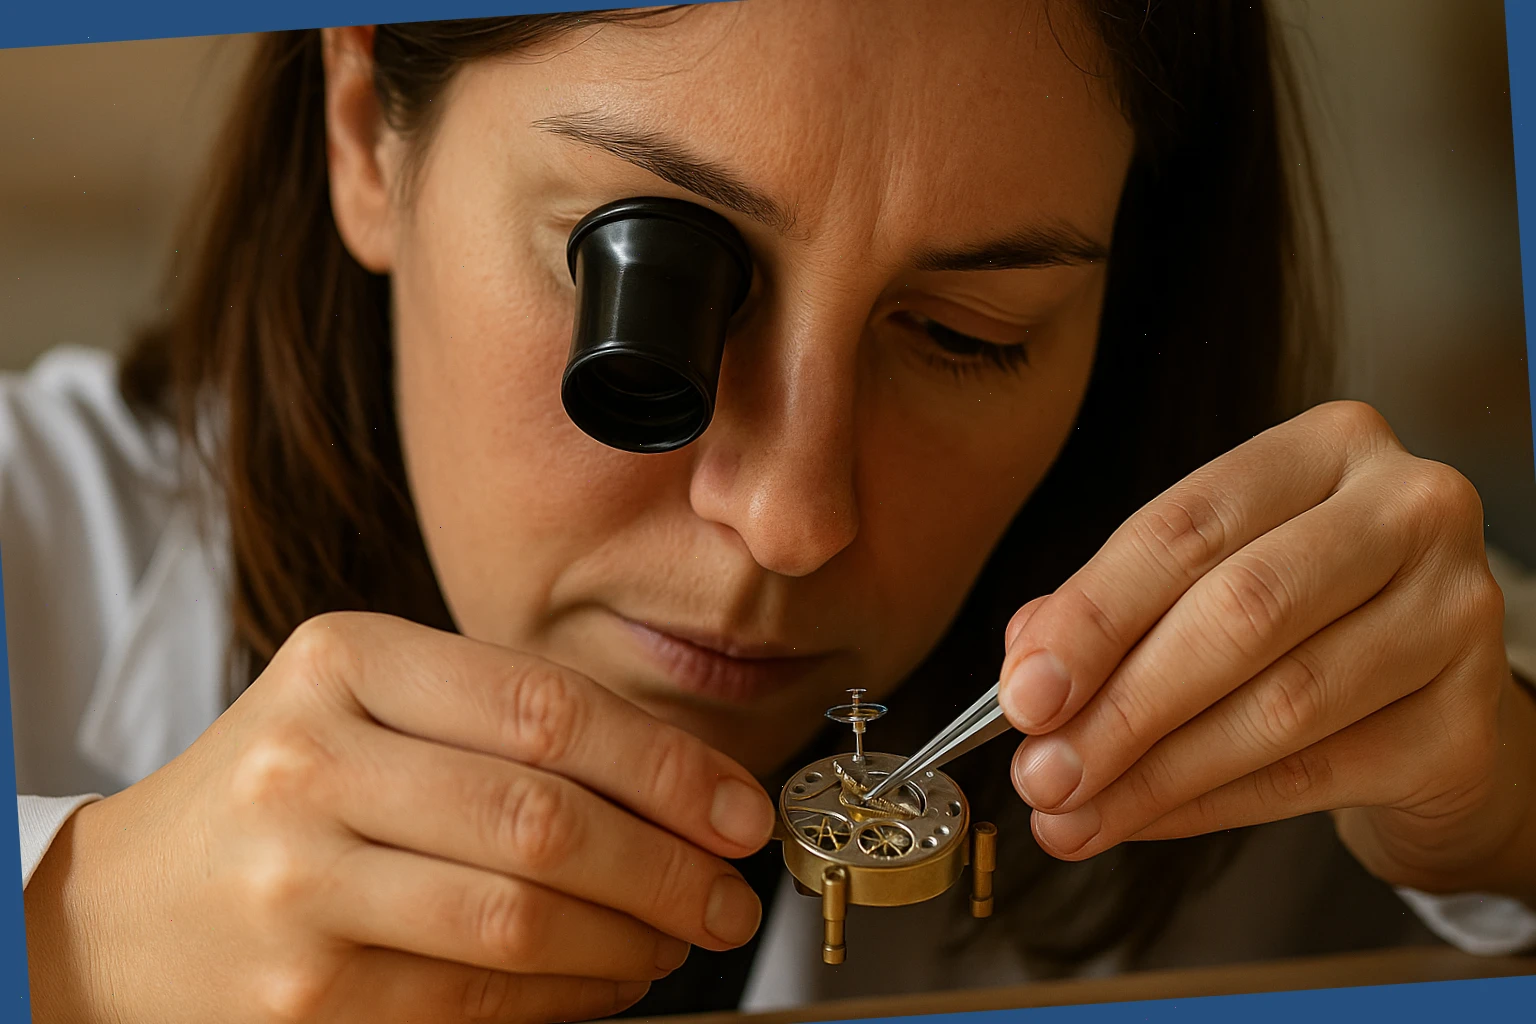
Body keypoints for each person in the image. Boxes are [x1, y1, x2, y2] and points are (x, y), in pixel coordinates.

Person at [7, 2, 1536, 1022]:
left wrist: (1515, 824)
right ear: (363, 129)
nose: (793, 518)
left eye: (967, 335)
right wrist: (66, 943)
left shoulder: (1318, 725)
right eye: (648, 294)